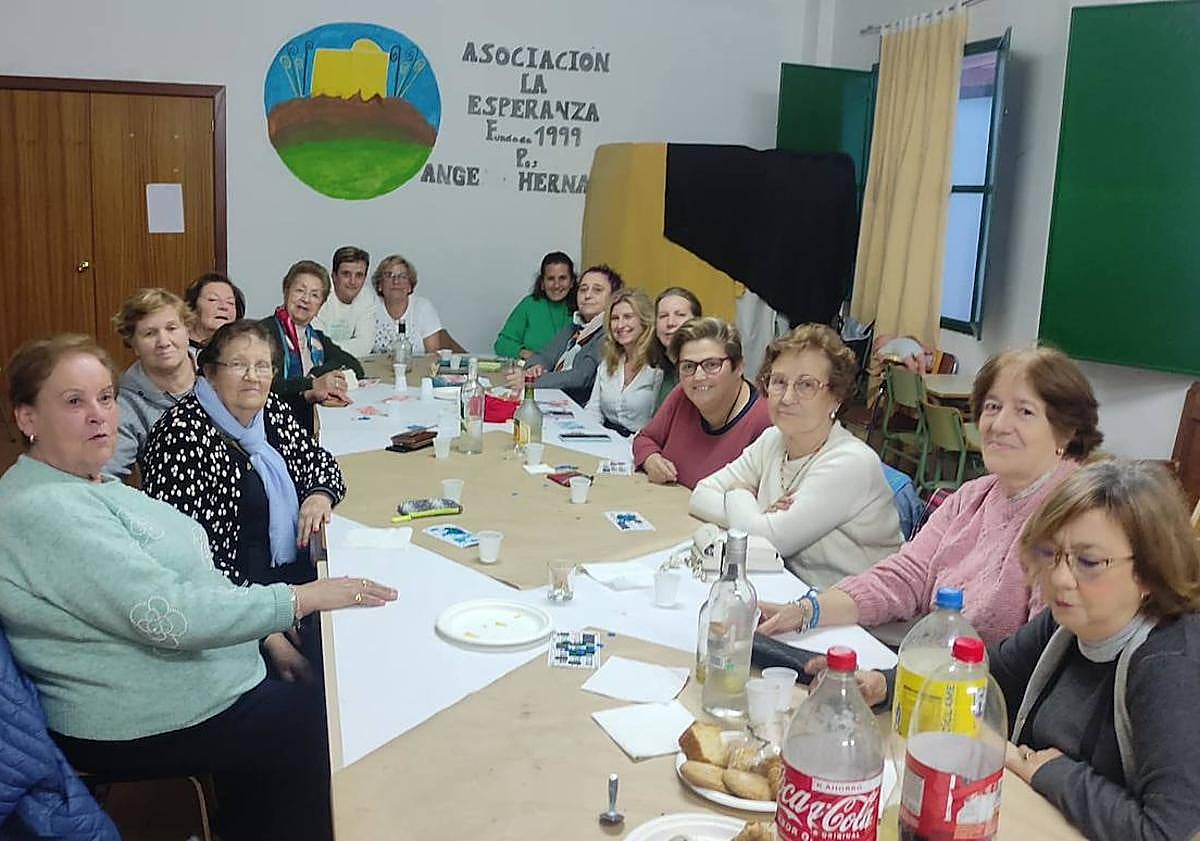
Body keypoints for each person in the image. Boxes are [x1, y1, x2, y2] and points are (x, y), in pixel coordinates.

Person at [0, 334, 397, 841]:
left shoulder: (90, 482)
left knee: (333, 685)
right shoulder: (44, 509)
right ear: (27, 418)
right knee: (325, 723)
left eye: (105, 397)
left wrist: (265, 634)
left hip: (203, 671)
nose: (99, 414)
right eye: (74, 402)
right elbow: (170, 615)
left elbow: (197, 574)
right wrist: (302, 598)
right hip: (136, 714)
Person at [843, 460, 1200, 841]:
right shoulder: (1065, 624)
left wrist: (1037, 766)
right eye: (1051, 554)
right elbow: (978, 677)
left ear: (1147, 572)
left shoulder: (1169, 664)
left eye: (1089, 562)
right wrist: (885, 685)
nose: (1061, 578)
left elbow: (1167, 832)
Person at [758, 346, 1103, 646]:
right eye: (993, 407)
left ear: (1067, 432)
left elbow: (1037, 657)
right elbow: (907, 576)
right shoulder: (974, 495)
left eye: (1025, 412)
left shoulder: (1074, 518)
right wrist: (809, 610)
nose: (999, 425)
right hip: (932, 667)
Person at [142, 319, 347, 682]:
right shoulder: (182, 436)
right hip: (235, 617)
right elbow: (193, 564)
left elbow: (320, 462)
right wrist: (267, 635)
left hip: (292, 584)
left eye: (263, 366)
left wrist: (318, 495)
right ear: (208, 372)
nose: (253, 376)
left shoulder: (268, 413)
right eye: (238, 365)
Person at [689, 324, 902, 589]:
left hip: (857, 617)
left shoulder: (850, 462)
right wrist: (758, 517)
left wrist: (738, 493)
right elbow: (701, 494)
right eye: (779, 382)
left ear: (836, 397)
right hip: (789, 590)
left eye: (806, 385)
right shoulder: (773, 439)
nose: (787, 397)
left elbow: (767, 542)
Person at [632, 317, 771, 490]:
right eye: (688, 366)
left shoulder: (765, 420)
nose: (698, 376)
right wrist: (650, 458)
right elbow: (645, 438)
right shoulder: (682, 395)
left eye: (712, 364)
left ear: (739, 367)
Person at [260, 260, 363, 435]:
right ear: (286, 291)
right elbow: (267, 386)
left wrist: (318, 375)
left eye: (315, 295)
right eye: (300, 290)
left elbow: (355, 367)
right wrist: (312, 384)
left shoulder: (316, 338)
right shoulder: (263, 333)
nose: (306, 299)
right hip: (273, 424)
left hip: (314, 419)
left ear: (320, 305)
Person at [103, 288, 197, 480]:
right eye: (149, 333)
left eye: (171, 328)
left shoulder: (218, 372)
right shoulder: (123, 404)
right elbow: (106, 477)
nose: (163, 342)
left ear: (188, 331)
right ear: (134, 345)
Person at [505, 264, 621, 406]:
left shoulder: (609, 332)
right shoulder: (575, 326)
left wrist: (531, 381)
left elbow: (582, 377)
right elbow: (544, 355)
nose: (588, 295)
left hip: (578, 408)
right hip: (552, 399)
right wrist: (536, 368)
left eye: (597, 290)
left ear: (613, 298)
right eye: (583, 289)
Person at [583, 288, 663, 437]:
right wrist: (589, 435)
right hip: (605, 439)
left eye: (628, 317)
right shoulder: (609, 363)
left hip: (641, 444)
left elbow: (657, 424)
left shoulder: (657, 368)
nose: (620, 325)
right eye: (615, 318)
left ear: (644, 320)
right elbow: (594, 408)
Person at [370, 254, 465, 354]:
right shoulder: (370, 307)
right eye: (389, 275)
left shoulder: (423, 308)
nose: (396, 281)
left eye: (402, 276)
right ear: (380, 285)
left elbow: (432, 357)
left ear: (410, 286)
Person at [494, 251, 577, 360]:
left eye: (562, 278)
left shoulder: (582, 307)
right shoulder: (529, 305)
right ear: (542, 283)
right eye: (551, 279)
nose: (556, 285)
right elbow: (502, 344)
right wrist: (528, 355)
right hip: (533, 371)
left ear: (571, 282)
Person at [312, 245, 377, 358]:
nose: (352, 281)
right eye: (346, 274)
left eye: (359, 275)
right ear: (334, 276)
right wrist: (353, 345)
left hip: (349, 363)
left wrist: (331, 349)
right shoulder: (319, 293)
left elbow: (365, 346)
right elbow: (317, 346)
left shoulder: (367, 297)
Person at [652, 286, 702, 411]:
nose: (670, 323)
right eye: (663, 316)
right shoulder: (662, 369)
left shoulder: (704, 372)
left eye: (680, 315)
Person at [183, 271, 245, 354]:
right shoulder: (176, 349)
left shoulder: (243, 349)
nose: (223, 307)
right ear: (192, 306)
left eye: (230, 303)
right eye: (213, 300)